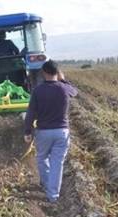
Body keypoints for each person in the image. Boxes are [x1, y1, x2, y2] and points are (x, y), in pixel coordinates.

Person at [23, 60, 78, 203]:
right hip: (61, 132)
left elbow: (30, 113)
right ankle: (53, 196)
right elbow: (75, 91)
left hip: (43, 132)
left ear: (44, 73)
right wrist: (63, 79)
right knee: (57, 163)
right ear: (57, 73)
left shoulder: (38, 91)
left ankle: (47, 185)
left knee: (42, 158)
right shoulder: (64, 89)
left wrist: (27, 131)